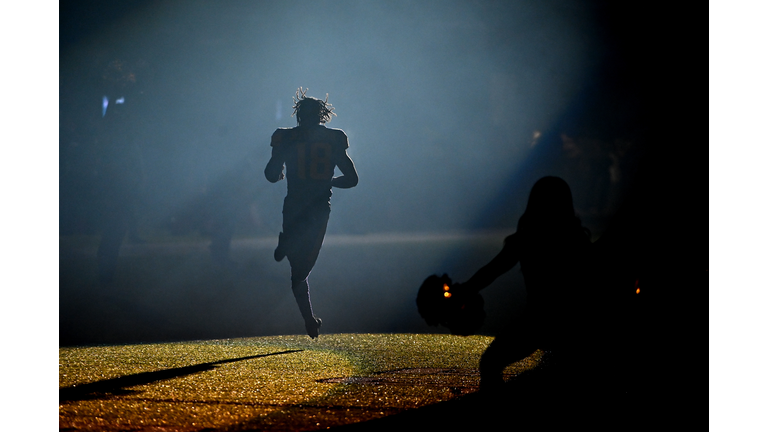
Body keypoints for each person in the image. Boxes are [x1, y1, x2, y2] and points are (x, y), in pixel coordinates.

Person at [454, 176, 593, 390]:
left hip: (539, 321)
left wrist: (466, 289)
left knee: (491, 363)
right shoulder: (576, 240)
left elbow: (494, 269)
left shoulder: (529, 237)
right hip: (570, 322)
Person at [264, 88, 359, 338]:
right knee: (301, 272)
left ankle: (309, 319)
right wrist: (327, 182)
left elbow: (271, 175)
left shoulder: (285, 137)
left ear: (298, 116)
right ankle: (309, 320)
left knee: (297, 271)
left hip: (293, 205)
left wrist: (282, 163)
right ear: (322, 116)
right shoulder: (334, 138)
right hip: (318, 209)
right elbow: (352, 179)